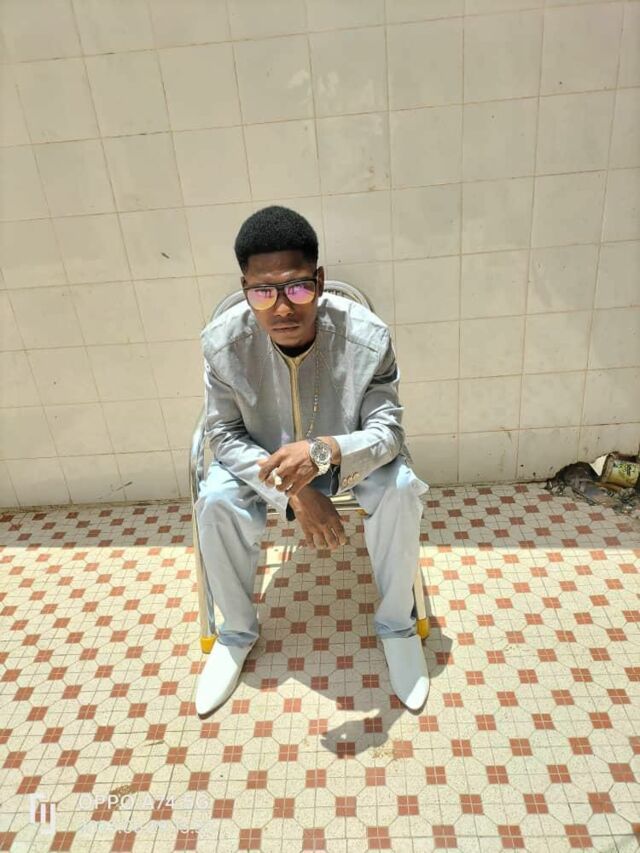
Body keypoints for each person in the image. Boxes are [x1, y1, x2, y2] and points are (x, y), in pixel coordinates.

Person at [194, 205, 431, 716]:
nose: (282, 308)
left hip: (349, 457)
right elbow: (224, 434)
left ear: (319, 281)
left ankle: (397, 624)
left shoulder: (367, 338)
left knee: (400, 489)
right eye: (263, 292)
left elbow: (388, 432)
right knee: (214, 500)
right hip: (263, 463)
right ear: (245, 289)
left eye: (298, 288)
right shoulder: (223, 345)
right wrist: (296, 491)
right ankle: (236, 632)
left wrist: (323, 453)